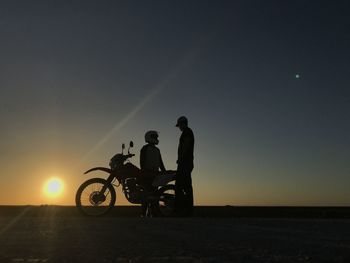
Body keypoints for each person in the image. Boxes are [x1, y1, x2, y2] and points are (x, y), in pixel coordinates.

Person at [139, 130, 166, 216]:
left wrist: (164, 172)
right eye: (154, 137)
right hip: (148, 174)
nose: (156, 138)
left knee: (153, 194)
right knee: (147, 194)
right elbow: (142, 163)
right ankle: (144, 213)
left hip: (154, 174)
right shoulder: (145, 148)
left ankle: (153, 213)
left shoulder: (156, 150)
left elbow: (160, 162)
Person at [175, 116, 195, 216]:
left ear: (183, 123)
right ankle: (185, 209)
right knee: (184, 185)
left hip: (185, 163)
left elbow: (186, 145)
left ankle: (184, 210)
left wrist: (180, 158)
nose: (179, 127)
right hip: (186, 162)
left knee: (182, 185)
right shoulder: (187, 132)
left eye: (179, 125)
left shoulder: (187, 132)